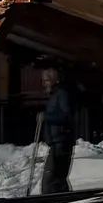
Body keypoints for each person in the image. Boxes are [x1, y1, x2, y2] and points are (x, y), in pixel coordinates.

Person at [38, 65, 77, 195]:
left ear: (55, 80)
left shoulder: (62, 94)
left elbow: (66, 116)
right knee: (56, 179)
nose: (44, 84)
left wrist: (46, 117)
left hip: (61, 142)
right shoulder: (55, 95)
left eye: (47, 80)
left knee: (52, 180)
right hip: (56, 143)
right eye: (43, 81)